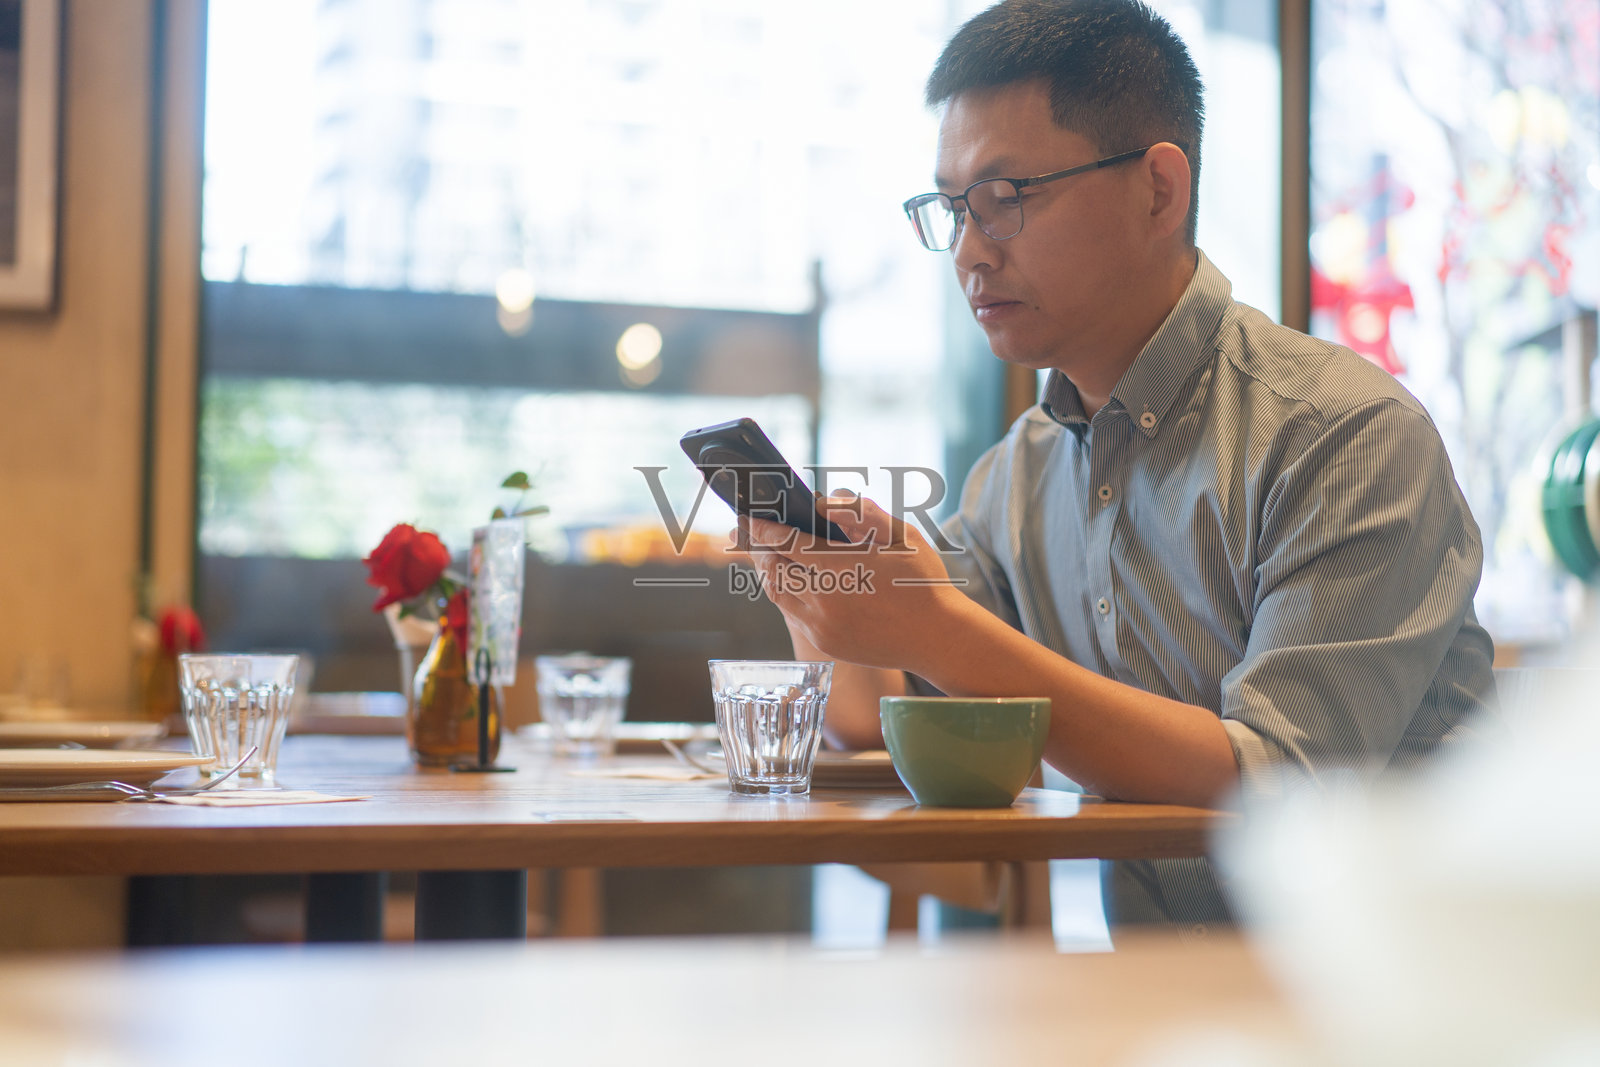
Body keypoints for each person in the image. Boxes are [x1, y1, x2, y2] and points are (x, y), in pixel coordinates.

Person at [740, 0, 1496, 926]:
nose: (971, 251)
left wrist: (930, 622)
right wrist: (818, 591)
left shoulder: (1342, 433)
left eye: (1006, 197)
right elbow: (876, 713)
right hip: (1152, 996)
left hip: (1387, 1000)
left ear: (1158, 191)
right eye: (952, 208)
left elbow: (1283, 784)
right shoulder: (1018, 472)